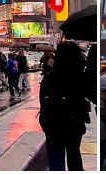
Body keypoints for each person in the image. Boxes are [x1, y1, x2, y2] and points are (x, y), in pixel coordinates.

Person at [38, 41, 90, 171]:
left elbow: (42, 100)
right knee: (74, 154)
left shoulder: (49, 77)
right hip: (73, 123)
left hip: (52, 123)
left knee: (55, 157)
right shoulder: (80, 77)